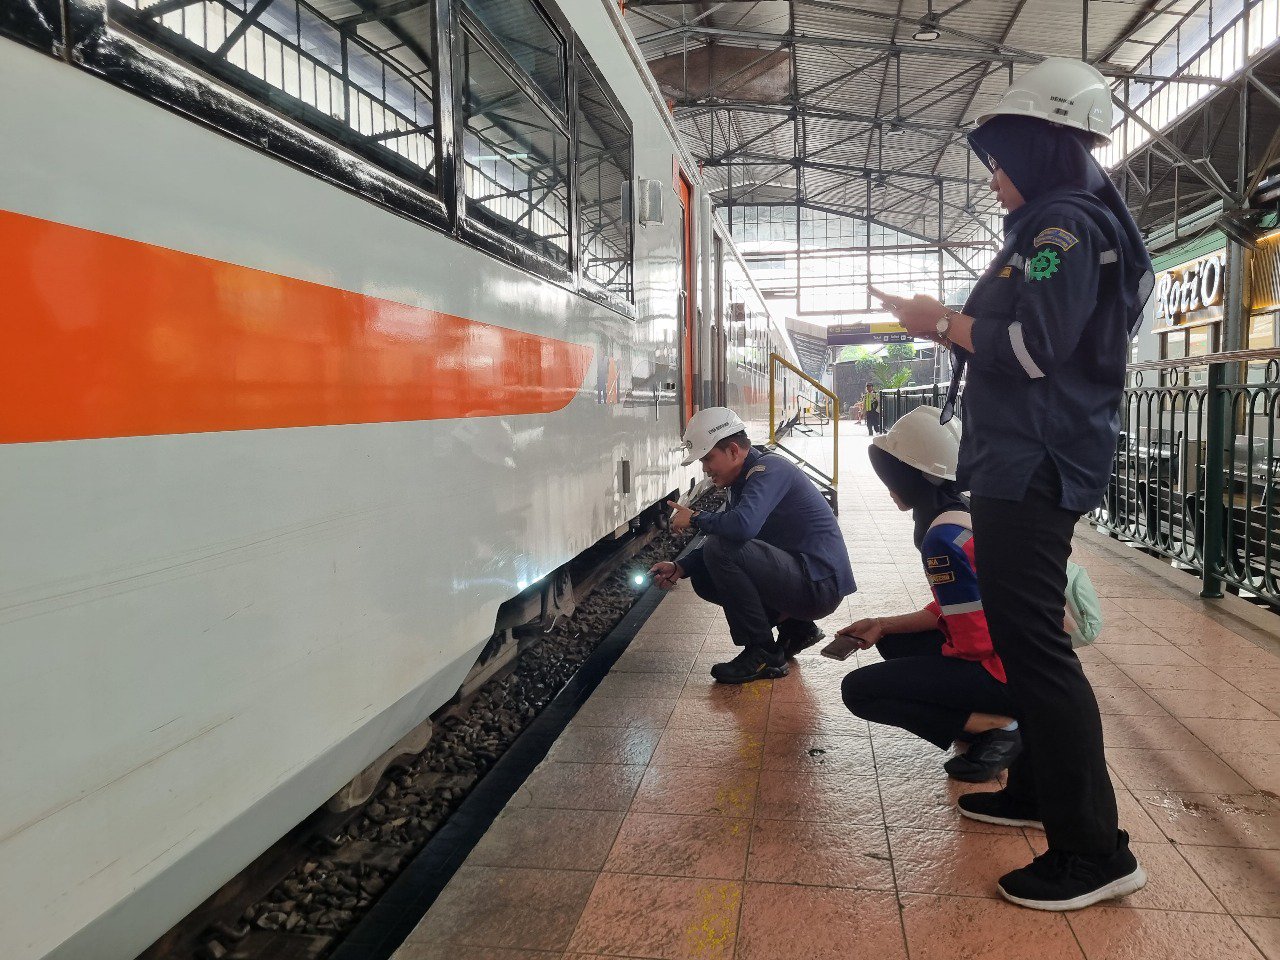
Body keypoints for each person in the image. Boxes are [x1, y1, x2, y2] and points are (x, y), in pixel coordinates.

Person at [877, 58, 1153, 910]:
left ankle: (1094, 851)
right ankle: (1037, 792)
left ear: (1038, 147)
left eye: (1000, 161)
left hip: (1034, 462)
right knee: (1026, 640)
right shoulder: (1056, 223)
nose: (993, 178)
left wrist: (938, 321)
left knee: (1036, 649)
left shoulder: (1061, 228)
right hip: (1022, 457)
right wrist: (950, 325)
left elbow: (1035, 349)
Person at [837, 407, 1021, 783]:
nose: (890, 487)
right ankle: (982, 718)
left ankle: (999, 726)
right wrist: (882, 625)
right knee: (895, 643)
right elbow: (951, 608)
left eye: (894, 475)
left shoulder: (942, 540)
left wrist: (937, 672)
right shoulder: (963, 512)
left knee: (858, 691)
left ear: (916, 477)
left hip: (1005, 677)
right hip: (1023, 662)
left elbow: (974, 644)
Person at [649, 407, 856, 684]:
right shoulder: (744, 480)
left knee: (719, 548)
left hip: (819, 584)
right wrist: (680, 567)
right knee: (704, 574)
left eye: (708, 458)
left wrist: (696, 517)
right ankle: (797, 628)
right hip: (806, 577)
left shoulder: (770, 470)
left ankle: (763, 652)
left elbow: (742, 527)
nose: (705, 468)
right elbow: (737, 533)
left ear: (734, 451)